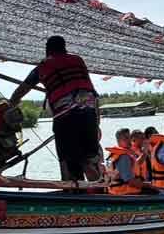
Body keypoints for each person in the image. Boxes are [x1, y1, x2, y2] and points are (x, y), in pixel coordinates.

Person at [10, 36, 101, 181]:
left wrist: (11, 105)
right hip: (89, 115)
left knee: (67, 160)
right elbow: (92, 91)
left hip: (66, 118)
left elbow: (21, 91)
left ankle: (72, 194)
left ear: (48, 49)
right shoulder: (78, 61)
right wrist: (97, 123)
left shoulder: (43, 66)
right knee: (89, 158)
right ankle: (99, 191)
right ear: (64, 47)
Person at [104, 128, 142, 195]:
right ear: (118, 141)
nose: (129, 140)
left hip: (113, 191)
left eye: (130, 137)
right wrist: (149, 186)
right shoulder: (124, 157)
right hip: (126, 192)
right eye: (126, 138)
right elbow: (130, 181)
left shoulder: (112, 154)